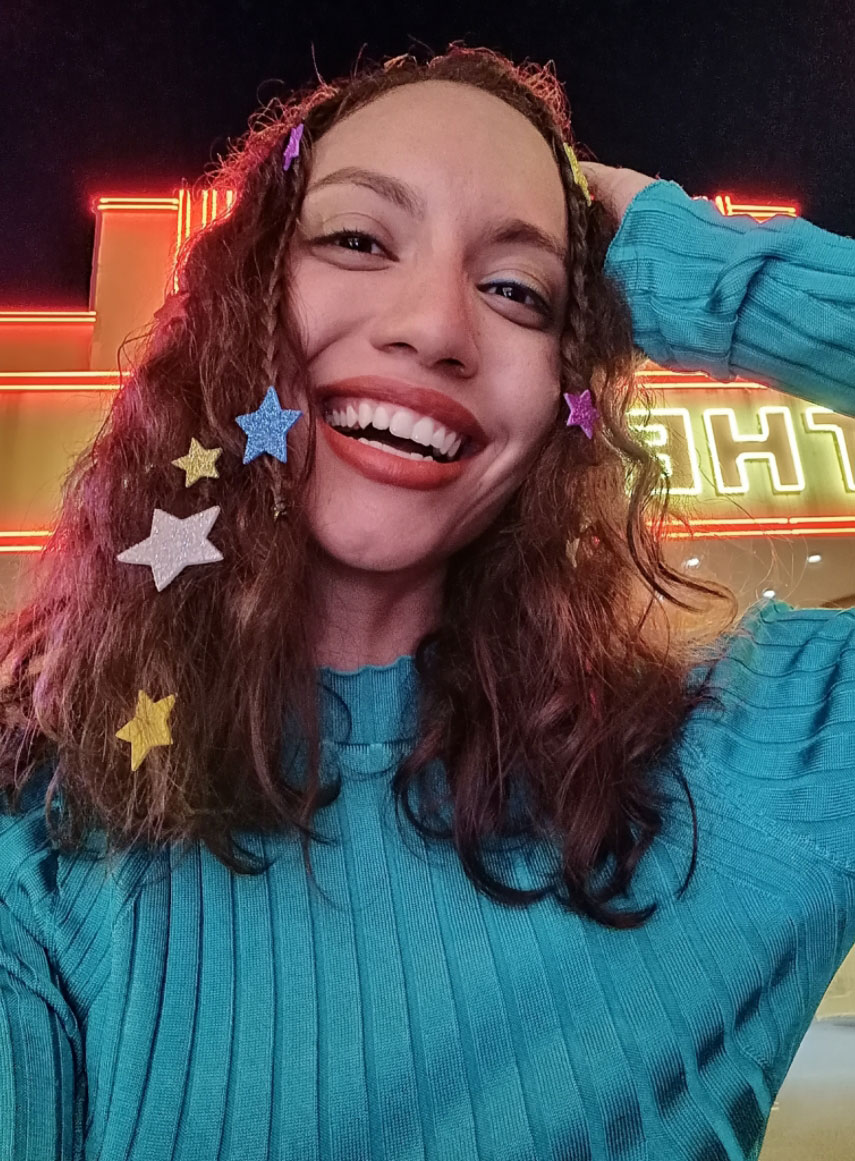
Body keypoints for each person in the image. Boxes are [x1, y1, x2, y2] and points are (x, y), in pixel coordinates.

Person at [0, 44, 853, 1161]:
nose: (436, 329)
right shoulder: (43, 844)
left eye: (518, 290)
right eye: (357, 239)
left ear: (566, 391)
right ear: (247, 304)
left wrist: (687, 268)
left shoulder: (745, 780)